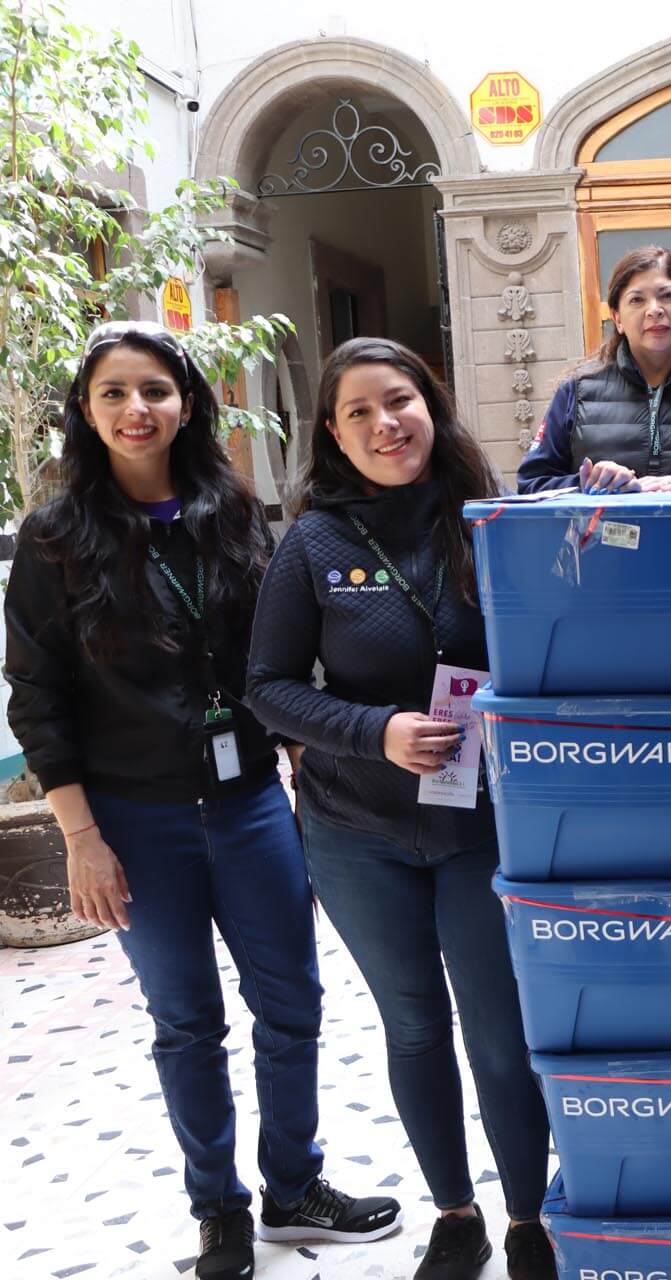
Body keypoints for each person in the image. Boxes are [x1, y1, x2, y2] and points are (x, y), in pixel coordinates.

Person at [3, 320, 402, 1280]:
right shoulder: (53, 541)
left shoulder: (233, 512)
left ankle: (293, 1184)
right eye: (114, 394)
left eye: (155, 391)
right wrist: (81, 839)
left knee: (294, 1003)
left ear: (186, 403)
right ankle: (216, 1207)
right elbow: (38, 698)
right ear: (87, 412)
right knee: (186, 1020)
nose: (136, 410)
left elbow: (274, 663)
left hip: (249, 802)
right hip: (132, 818)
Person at [246, 338, 554, 1280]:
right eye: (359, 413)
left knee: (500, 1033)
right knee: (415, 1026)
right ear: (333, 436)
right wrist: (372, 730)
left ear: (431, 404)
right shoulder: (315, 543)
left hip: (479, 826)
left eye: (401, 401)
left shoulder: (490, 520)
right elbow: (266, 686)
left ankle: (530, 1220)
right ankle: (455, 1212)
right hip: (355, 832)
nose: (386, 424)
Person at [517, 244, 671, 494]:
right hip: (601, 534)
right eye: (637, 299)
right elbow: (531, 486)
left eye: (668, 296)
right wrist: (591, 483)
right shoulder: (576, 394)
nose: (655, 309)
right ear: (617, 318)